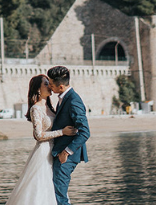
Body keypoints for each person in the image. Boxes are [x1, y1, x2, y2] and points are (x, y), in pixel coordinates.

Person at [6, 74, 78, 205]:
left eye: (49, 83)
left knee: (56, 185)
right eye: (46, 84)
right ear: (38, 89)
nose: (50, 86)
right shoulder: (36, 108)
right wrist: (62, 132)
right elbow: (38, 135)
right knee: (41, 185)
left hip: (55, 150)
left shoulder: (51, 108)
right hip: (44, 151)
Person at [48, 65, 90, 205]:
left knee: (59, 195)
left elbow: (85, 132)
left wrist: (66, 152)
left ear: (60, 86)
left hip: (67, 156)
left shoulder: (73, 101)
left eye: (51, 84)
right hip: (60, 151)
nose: (49, 86)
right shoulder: (64, 98)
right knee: (59, 193)